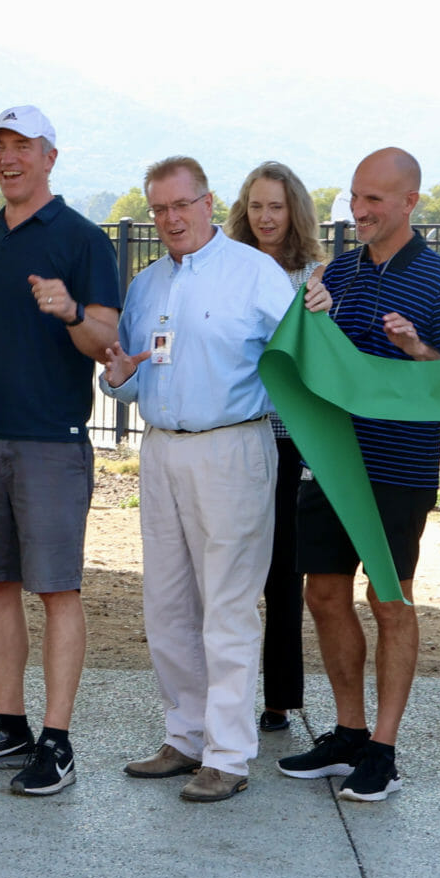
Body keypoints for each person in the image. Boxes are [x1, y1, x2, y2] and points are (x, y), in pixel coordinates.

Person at [0, 106, 121, 797]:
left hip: (49, 443)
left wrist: (71, 311)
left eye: (22, 147)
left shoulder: (82, 240)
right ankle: (8, 724)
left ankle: (57, 739)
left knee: (57, 591)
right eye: (0, 147)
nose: (8, 158)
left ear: (50, 156)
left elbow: (105, 338)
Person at [281, 148, 440, 801]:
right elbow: (317, 361)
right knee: (324, 595)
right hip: (331, 457)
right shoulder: (337, 270)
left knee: (389, 601)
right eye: (355, 197)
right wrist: (311, 318)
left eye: (374, 200)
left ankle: (385, 750)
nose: (359, 211)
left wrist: (417, 349)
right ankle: (349, 733)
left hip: (398, 466)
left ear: (410, 202)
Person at [103, 157, 293, 803]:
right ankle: (183, 736)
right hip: (160, 452)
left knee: (229, 604)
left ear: (209, 201)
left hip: (232, 446)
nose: (170, 219)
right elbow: (129, 376)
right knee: (167, 602)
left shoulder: (255, 273)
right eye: (159, 208)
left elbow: (302, 354)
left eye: (181, 204)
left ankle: (229, 753)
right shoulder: (148, 284)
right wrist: (121, 377)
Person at [224, 161, 326, 733]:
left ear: (294, 212)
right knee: (232, 569)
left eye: (277, 206)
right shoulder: (227, 267)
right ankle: (226, 692)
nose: (266, 217)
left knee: (283, 573)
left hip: (286, 440)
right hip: (234, 435)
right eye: (257, 205)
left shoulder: (312, 276)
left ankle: (279, 698)